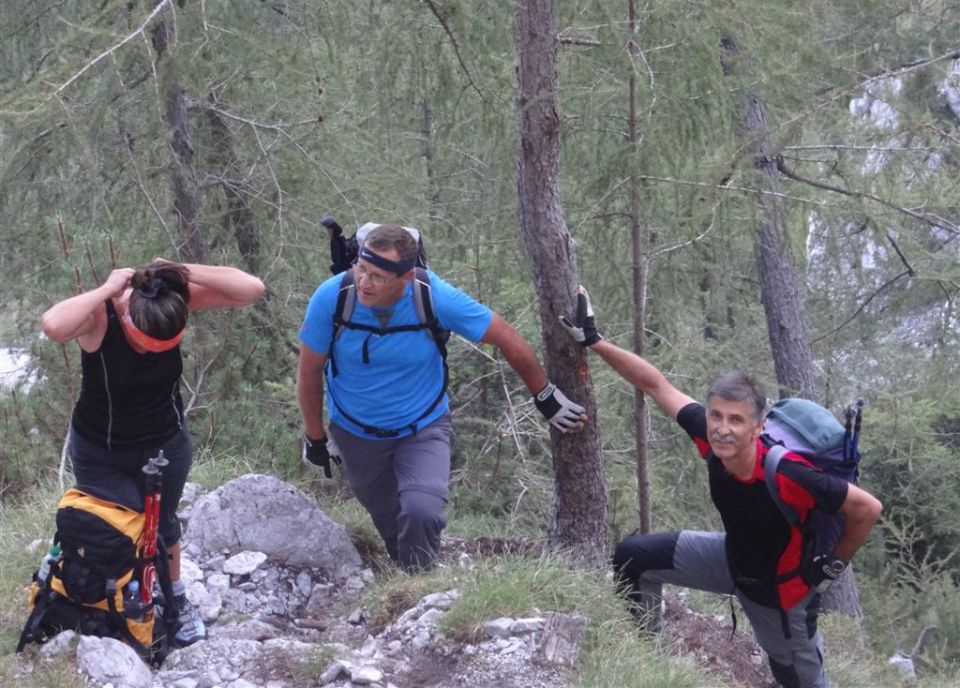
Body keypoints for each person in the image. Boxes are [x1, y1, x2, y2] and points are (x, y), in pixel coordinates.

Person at [559, 287, 882, 688]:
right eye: (716, 416)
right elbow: (657, 385)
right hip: (730, 560)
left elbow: (867, 509)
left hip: (779, 593)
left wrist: (830, 568)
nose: (723, 429)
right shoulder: (710, 438)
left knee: (797, 679)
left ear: (758, 427)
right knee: (632, 559)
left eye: (735, 420)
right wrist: (595, 341)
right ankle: (653, 669)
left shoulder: (788, 474)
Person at [297, 224, 586, 572]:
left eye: (377, 276)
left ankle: (419, 585)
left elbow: (507, 337)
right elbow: (309, 372)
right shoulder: (332, 298)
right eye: (360, 268)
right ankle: (407, 578)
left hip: (423, 427)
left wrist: (545, 396)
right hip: (356, 434)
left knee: (421, 511)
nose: (363, 282)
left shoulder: (431, 295)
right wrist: (315, 437)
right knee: (390, 521)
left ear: (405, 278)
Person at [41, 259, 265, 647]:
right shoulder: (102, 315)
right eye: (143, 345)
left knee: (161, 527)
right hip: (101, 447)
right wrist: (107, 289)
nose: (149, 354)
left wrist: (176, 269)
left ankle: (174, 599)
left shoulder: (167, 300)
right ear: (127, 318)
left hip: (164, 440)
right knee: (112, 526)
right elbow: (53, 326)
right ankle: (104, 596)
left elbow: (251, 289)